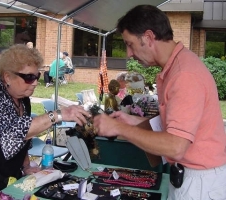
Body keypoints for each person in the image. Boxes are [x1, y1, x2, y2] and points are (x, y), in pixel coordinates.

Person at [93, 5, 226, 200]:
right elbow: (176, 127)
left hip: (200, 185)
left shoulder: (184, 75)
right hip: (192, 179)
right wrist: (133, 122)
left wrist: (119, 129)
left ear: (148, 37)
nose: (129, 53)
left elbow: (175, 146)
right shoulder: (176, 68)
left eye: (130, 44)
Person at [0, 44, 90, 198]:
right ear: (7, 77)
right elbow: (17, 131)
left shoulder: (23, 100)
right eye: (29, 77)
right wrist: (58, 114)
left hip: (10, 177)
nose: (36, 82)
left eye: (36, 76)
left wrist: (26, 166)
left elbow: (24, 139)